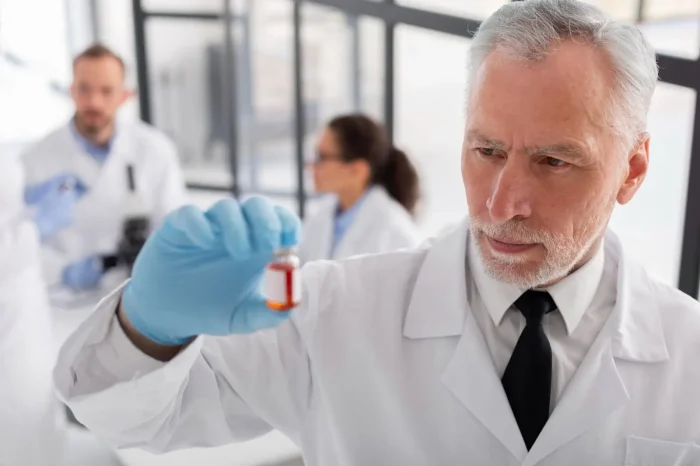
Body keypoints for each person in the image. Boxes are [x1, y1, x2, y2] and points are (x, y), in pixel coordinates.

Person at [54, 1, 700, 464]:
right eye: (486, 150)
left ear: (633, 169)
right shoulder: (334, 311)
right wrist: (149, 326)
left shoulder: (688, 353)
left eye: (553, 162)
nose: (504, 202)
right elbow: (133, 418)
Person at [22, 44, 187, 292]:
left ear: (125, 95)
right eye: (84, 89)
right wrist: (61, 272)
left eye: (107, 91)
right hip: (63, 303)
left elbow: (175, 227)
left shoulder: (155, 149)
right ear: (72, 91)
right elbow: (15, 246)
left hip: (138, 295)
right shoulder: (35, 159)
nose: (94, 102)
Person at [0, 149, 120, 466]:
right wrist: (35, 227)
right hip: (7, 308)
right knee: (17, 425)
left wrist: (22, 202)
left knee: (37, 417)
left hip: (21, 305)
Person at [299, 114, 421, 262]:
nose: (311, 166)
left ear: (358, 170)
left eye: (322, 157)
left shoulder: (395, 230)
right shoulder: (320, 216)